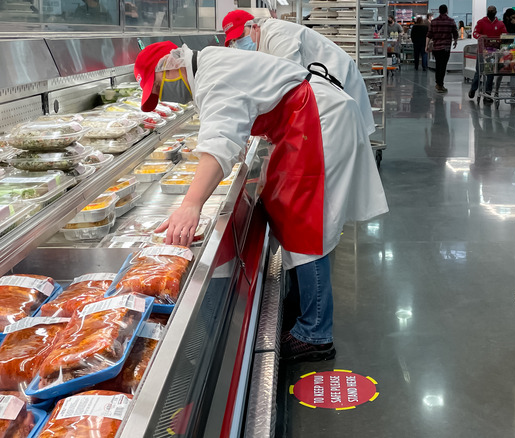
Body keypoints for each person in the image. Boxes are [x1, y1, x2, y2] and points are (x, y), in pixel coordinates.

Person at [134, 41, 388, 362]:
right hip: (305, 119)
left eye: (159, 86)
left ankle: (315, 334)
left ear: (170, 66)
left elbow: (219, 140)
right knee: (291, 213)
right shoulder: (211, 63)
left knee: (304, 225)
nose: (166, 94)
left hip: (314, 119)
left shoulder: (213, 75)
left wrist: (191, 204)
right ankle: (303, 307)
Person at [222, 10, 375, 137]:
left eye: (241, 36)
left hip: (339, 80)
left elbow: (289, 78)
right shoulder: (261, 43)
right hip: (324, 90)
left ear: (254, 26)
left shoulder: (276, 34)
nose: (239, 43)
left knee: (347, 140)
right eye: (234, 41)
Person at [468, 5, 507, 103]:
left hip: (494, 52)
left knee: (490, 73)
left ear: (496, 12)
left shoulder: (500, 24)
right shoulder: (481, 22)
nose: (491, 12)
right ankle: (473, 89)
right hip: (482, 52)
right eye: (489, 11)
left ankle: (488, 94)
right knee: (479, 72)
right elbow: (475, 33)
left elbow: (505, 34)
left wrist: (503, 39)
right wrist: (481, 36)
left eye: (492, 11)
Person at [426, 4, 458, 94]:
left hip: (436, 48)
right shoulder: (451, 21)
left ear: (439, 11)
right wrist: (455, 41)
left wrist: (426, 45)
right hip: (446, 48)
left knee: (438, 65)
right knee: (443, 66)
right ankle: (440, 85)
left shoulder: (434, 22)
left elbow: (429, 34)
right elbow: (455, 33)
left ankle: (438, 83)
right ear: (447, 11)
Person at [494, 8, 515, 98]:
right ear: (507, 17)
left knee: (514, 71)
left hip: (514, 51)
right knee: (500, 71)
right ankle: (496, 90)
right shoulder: (502, 24)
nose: (514, 19)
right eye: (512, 17)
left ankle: (513, 92)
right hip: (503, 51)